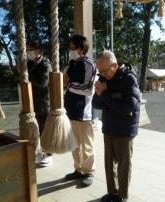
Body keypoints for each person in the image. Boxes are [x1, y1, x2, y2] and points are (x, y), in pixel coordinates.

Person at [92, 50, 141, 202]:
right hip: (109, 126)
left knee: (123, 165)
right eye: (99, 71)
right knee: (109, 163)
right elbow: (96, 103)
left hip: (125, 128)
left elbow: (127, 107)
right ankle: (112, 192)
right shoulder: (103, 77)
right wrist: (100, 94)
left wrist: (105, 95)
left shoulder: (129, 79)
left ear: (114, 65)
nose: (101, 74)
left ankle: (122, 195)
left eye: (104, 71)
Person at [64, 34, 96, 187]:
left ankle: (89, 171)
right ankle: (78, 169)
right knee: (74, 144)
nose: (71, 50)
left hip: (84, 112)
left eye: (73, 48)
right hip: (70, 111)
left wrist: (69, 85)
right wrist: (65, 84)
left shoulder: (89, 65)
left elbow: (88, 89)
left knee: (86, 144)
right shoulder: (70, 64)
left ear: (82, 49)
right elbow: (64, 83)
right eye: (70, 48)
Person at [26, 42, 52, 167]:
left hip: (44, 103)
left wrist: (27, 75)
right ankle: (39, 151)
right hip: (32, 102)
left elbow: (43, 83)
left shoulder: (45, 64)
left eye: (30, 50)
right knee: (35, 130)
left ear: (39, 51)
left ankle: (48, 154)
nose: (28, 53)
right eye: (27, 51)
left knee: (44, 130)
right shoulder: (30, 64)